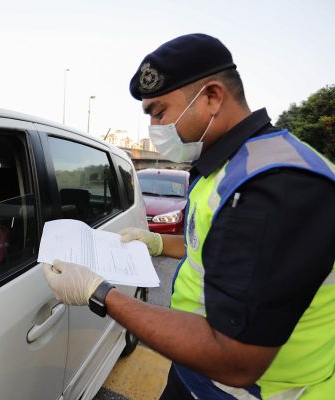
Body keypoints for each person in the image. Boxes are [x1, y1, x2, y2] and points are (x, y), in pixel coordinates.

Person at [43, 33, 335, 399]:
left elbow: (236, 360)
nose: (155, 129)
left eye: (159, 113)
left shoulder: (276, 186)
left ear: (212, 97)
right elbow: (220, 249)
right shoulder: (228, 165)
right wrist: (158, 242)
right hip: (197, 375)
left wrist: (99, 292)